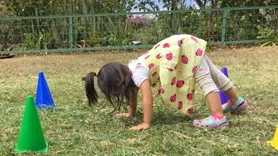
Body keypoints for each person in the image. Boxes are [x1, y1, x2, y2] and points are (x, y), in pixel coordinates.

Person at [83, 34, 247, 130]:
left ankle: (218, 116)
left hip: (184, 48)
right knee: (215, 74)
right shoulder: (131, 70)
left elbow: (147, 97)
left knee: (205, 78)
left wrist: (146, 122)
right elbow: (132, 94)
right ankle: (236, 102)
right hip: (185, 43)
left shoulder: (138, 74)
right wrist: (131, 113)